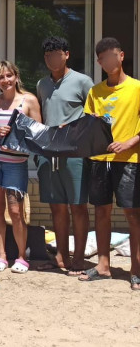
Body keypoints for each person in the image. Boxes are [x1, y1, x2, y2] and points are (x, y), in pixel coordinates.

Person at [79, 37, 140, 290]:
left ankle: (136, 269)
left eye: (113, 56)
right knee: (101, 211)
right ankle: (103, 265)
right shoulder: (95, 91)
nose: (109, 62)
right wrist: (92, 121)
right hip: (99, 160)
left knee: (133, 214)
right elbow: (86, 126)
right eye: (103, 58)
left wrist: (129, 143)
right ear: (99, 62)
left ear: (122, 56)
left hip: (128, 160)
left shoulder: (137, 88)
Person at [36, 36, 93, 275]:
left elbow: (93, 116)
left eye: (57, 55)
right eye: (48, 56)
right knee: (57, 207)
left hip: (75, 154)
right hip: (50, 154)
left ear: (67, 55)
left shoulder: (82, 81)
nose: (53, 60)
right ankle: (61, 256)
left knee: (78, 206)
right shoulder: (41, 84)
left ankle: (78, 259)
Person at [0, 60, 41, 274]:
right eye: (0, 77)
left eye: (8, 76)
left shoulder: (29, 100)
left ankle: (21, 256)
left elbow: (38, 134)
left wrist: (18, 134)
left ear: (16, 76)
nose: (5, 80)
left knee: (16, 211)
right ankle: (1, 256)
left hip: (16, 162)